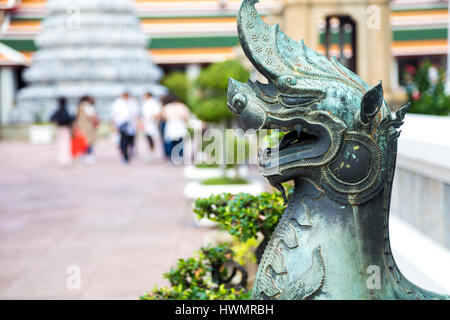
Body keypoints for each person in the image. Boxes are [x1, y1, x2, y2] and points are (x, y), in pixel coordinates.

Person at [111, 91, 140, 163]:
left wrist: (137, 123)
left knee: (131, 140)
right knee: (123, 140)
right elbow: (113, 114)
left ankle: (129, 152)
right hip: (121, 124)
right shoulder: (117, 103)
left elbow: (136, 114)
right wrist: (113, 124)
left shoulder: (132, 102)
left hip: (131, 124)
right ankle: (124, 155)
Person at [160, 93, 190, 163]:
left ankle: (174, 156)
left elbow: (163, 117)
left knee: (173, 142)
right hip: (177, 125)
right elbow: (186, 117)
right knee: (178, 142)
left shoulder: (168, 107)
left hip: (173, 125)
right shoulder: (182, 106)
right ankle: (178, 156)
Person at [50, 97, 74, 167]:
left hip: (59, 128)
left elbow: (51, 118)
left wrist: (57, 122)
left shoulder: (58, 110)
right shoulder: (65, 110)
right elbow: (69, 119)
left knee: (60, 144)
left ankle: (61, 158)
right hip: (65, 128)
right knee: (65, 144)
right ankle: (65, 158)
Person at [74, 96, 98, 163]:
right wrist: (95, 121)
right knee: (88, 142)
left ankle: (83, 155)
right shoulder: (87, 106)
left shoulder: (80, 106)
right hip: (88, 127)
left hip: (81, 127)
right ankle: (88, 155)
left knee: (82, 141)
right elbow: (92, 117)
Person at [141, 92, 162, 159]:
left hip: (152, 123)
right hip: (147, 124)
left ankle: (153, 152)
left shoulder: (153, 103)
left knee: (152, 138)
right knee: (149, 138)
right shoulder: (146, 103)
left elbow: (158, 112)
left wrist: (153, 119)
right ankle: (151, 152)